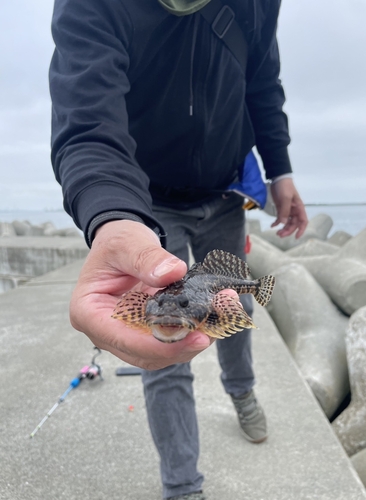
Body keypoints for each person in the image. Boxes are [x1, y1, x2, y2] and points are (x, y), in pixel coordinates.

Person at [49, 0, 308, 498]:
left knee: (235, 306)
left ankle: (243, 391)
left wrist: (281, 171)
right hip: (146, 202)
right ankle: (183, 486)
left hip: (226, 191)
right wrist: (115, 218)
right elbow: (87, 122)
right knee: (163, 347)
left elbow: (262, 80)